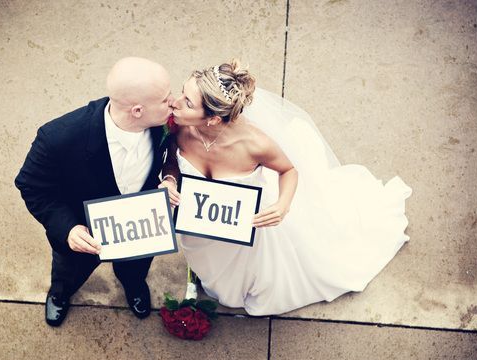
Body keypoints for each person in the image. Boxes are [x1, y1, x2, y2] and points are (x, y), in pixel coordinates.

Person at [160, 59, 411, 316]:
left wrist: (282, 206)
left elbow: (288, 170)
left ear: (212, 119)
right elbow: (171, 158)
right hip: (197, 223)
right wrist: (169, 180)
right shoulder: (180, 125)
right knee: (208, 263)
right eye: (182, 93)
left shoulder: (255, 144)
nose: (175, 102)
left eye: (187, 102)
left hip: (245, 227)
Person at [15, 57, 173, 326]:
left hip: (140, 225)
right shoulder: (58, 138)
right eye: (166, 99)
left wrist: (169, 178)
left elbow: (177, 154)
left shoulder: (166, 123)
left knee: (135, 267)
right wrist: (68, 229)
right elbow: (31, 186)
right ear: (137, 110)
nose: (175, 102)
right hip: (85, 230)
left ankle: (133, 285)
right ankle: (60, 294)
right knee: (69, 272)